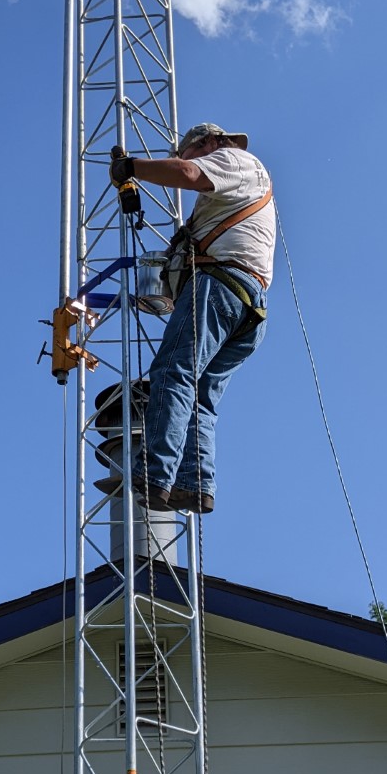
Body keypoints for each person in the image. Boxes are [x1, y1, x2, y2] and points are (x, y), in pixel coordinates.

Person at [108, 122, 276, 513]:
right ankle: (193, 485)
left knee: (172, 371)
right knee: (200, 397)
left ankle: (155, 471)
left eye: (190, 152)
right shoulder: (228, 198)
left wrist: (131, 168)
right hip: (246, 306)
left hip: (218, 288)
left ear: (211, 143)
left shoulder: (234, 160)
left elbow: (187, 174)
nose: (186, 161)